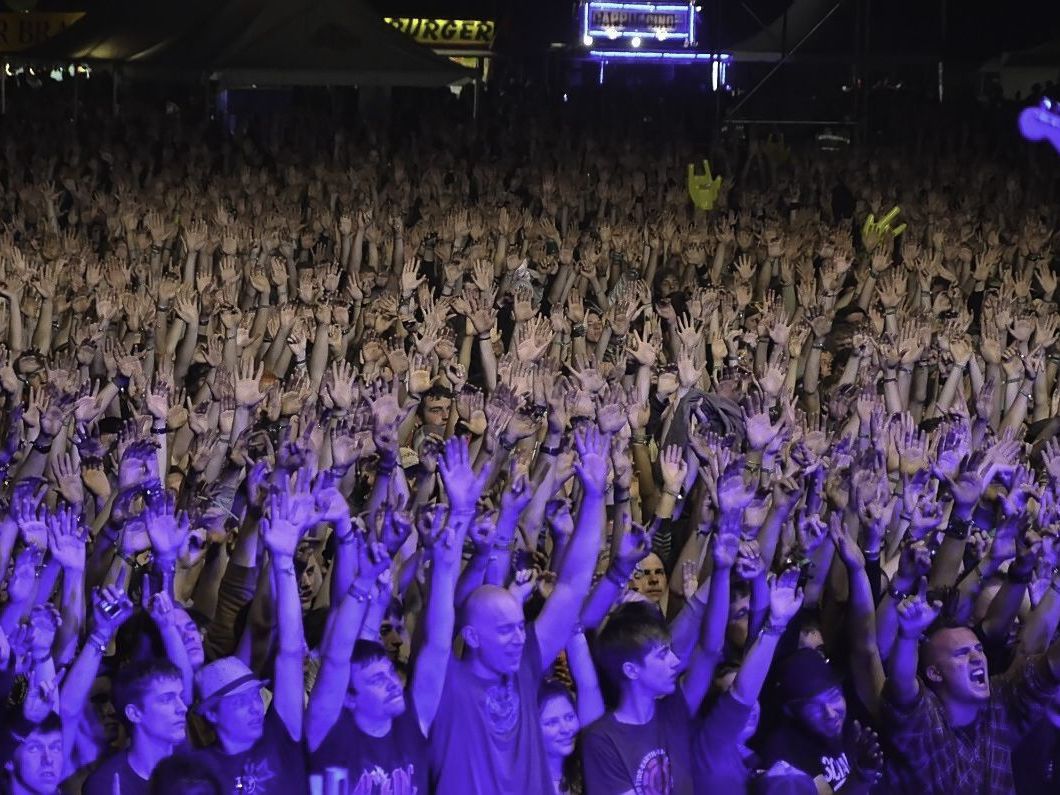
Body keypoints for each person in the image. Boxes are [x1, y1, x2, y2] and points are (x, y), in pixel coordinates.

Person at [82, 660, 188, 795]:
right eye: (166, 699)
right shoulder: (105, 784)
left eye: (181, 697)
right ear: (134, 713)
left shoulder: (196, 772)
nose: (182, 708)